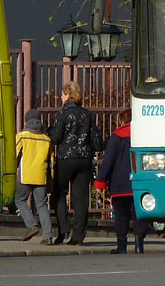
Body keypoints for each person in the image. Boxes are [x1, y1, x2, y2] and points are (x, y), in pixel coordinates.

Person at [49, 80, 104, 245]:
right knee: (81, 199)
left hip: (66, 158)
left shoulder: (63, 114)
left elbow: (56, 138)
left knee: (59, 194)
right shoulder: (87, 114)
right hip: (84, 159)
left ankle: (63, 230)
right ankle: (78, 237)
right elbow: (95, 138)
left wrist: (51, 131)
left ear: (67, 95)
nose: (60, 96)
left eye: (62, 93)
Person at [94, 109, 148, 254]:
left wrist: (100, 182)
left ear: (121, 121)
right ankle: (139, 245)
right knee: (139, 216)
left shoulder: (116, 137)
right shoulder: (143, 136)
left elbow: (108, 162)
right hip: (139, 183)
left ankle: (122, 246)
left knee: (121, 216)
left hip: (119, 184)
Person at [15, 108, 54, 244]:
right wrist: (50, 180)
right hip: (41, 176)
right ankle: (48, 236)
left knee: (20, 200)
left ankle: (32, 226)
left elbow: (15, 155)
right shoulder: (46, 139)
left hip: (25, 175)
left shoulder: (22, 136)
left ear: (27, 121)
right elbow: (51, 162)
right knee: (42, 205)